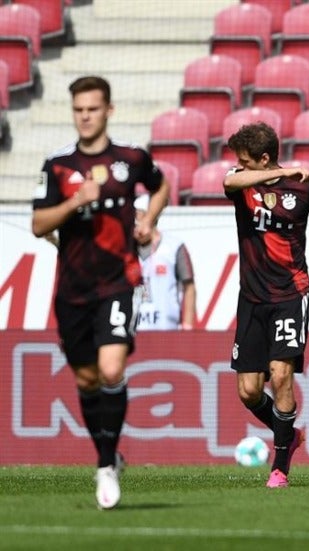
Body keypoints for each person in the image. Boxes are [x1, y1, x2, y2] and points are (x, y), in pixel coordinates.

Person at [31, 75, 170, 509]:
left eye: (93, 108)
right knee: (87, 379)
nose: (85, 116)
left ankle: (106, 465)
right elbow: (38, 224)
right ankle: (107, 455)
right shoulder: (57, 166)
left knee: (112, 369)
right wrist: (75, 202)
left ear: (108, 110)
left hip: (118, 282)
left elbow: (160, 184)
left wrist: (149, 217)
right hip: (73, 288)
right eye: (79, 109)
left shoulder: (130, 159)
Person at [224, 122, 309, 488]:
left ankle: (280, 466)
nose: (240, 166)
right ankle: (290, 435)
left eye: (246, 161)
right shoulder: (243, 182)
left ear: (262, 158)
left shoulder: (303, 188)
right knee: (249, 391)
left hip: (290, 295)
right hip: (251, 299)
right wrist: (277, 171)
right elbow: (228, 182)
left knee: (281, 376)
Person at [133, 194, 197, 330]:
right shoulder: (126, 249)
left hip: (167, 330)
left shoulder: (174, 247)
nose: (135, 224)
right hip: (133, 330)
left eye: (138, 216)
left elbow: (189, 287)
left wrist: (187, 325)